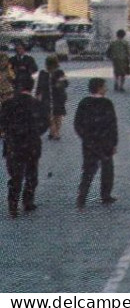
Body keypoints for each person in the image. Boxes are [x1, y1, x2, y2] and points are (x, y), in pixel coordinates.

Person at [0, 74, 48, 216]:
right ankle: (28, 200)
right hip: (32, 143)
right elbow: (45, 123)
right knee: (32, 173)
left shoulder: (8, 104)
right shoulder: (37, 104)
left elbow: (1, 122)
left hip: (13, 144)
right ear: (31, 87)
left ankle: (13, 203)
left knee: (16, 174)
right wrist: (34, 132)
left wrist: (9, 132)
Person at [73, 76, 118, 207]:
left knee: (88, 169)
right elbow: (112, 125)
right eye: (104, 86)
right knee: (107, 169)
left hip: (89, 142)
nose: (106, 89)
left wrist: (85, 137)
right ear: (99, 88)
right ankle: (106, 195)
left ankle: (82, 197)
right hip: (105, 142)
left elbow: (77, 123)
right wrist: (113, 142)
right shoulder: (107, 103)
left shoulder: (84, 102)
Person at [42, 55, 68, 141]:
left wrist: (59, 84)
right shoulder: (44, 73)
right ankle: (55, 132)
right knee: (52, 115)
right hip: (50, 97)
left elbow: (66, 83)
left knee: (56, 115)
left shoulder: (59, 72)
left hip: (57, 97)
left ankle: (54, 131)